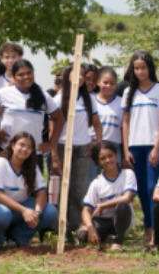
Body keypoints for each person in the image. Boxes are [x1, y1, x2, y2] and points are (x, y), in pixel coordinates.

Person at [121, 50, 159, 245]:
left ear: (149, 68)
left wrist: (156, 146)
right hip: (134, 146)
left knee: (153, 188)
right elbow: (125, 122)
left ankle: (156, 233)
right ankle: (148, 227)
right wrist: (125, 149)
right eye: (136, 68)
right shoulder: (128, 92)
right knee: (141, 189)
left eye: (143, 67)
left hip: (152, 146)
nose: (140, 71)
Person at [0, 132, 59, 248]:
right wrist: (24, 211)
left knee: (50, 212)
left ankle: (17, 237)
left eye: (29, 147)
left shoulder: (32, 167)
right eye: (21, 145)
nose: (25, 149)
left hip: (22, 204)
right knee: (2, 214)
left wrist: (37, 213)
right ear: (13, 145)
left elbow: (41, 192)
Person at [54, 64, 103, 237]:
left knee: (79, 189)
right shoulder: (59, 98)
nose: (81, 78)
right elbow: (52, 125)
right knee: (60, 190)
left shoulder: (88, 98)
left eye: (83, 75)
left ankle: (75, 227)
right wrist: (53, 154)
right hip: (61, 146)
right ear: (68, 75)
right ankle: (59, 228)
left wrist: (97, 142)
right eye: (77, 74)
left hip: (83, 148)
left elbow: (97, 123)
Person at [0, 59, 64, 155]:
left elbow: (59, 119)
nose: (26, 77)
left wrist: (51, 144)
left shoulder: (43, 96)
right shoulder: (2, 94)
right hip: (7, 151)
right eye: (20, 74)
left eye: (29, 73)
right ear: (13, 77)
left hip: (33, 154)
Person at [78, 141, 137, 251]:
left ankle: (118, 241)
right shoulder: (96, 183)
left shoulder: (127, 174)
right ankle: (107, 238)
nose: (108, 160)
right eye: (103, 158)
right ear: (98, 162)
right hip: (102, 221)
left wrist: (103, 205)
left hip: (122, 218)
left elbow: (127, 197)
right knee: (82, 234)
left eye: (110, 156)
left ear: (116, 155)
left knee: (122, 205)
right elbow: (86, 210)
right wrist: (90, 228)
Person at [93, 67, 125, 172]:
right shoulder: (91, 100)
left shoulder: (121, 102)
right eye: (105, 82)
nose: (108, 86)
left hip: (114, 145)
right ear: (98, 82)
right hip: (94, 145)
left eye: (112, 83)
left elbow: (123, 128)